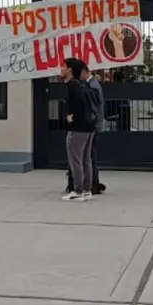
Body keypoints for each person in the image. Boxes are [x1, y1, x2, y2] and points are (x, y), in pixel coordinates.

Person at [66, 64, 106, 195]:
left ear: (84, 72)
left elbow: (93, 106)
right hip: (91, 125)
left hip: (89, 125)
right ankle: (88, 186)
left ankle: (83, 187)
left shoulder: (91, 86)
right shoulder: (89, 84)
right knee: (87, 158)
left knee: (84, 157)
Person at [61, 58, 96, 201]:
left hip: (78, 128)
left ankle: (78, 190)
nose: (61, 69)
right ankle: (87, 189)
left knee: (75, 159)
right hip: (89, 127)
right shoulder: (82, 84)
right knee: (86, 159)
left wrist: (71, 115)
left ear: (69, 70)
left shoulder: (72, 85)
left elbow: (79, 102)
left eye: (63, 67)